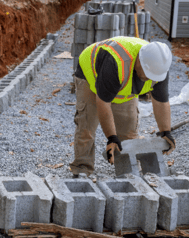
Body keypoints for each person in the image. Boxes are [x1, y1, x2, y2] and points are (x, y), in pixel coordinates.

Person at [70, 36, 176, 178]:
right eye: (147, 74)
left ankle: (128, 172)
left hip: (123, 86)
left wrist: (165, 132)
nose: (150, 79)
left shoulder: (158, 68)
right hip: (90, 75)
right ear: (139, 60)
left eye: (153, 77)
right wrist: (111, 137)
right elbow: (103, 103)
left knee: (129, 134)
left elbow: (161, 101)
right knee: (87, 126)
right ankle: (82, 169)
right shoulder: (116, 62)